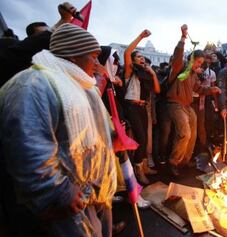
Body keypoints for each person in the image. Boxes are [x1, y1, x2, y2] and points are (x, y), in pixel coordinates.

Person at [0, 23, 118, 236]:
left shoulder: (82, 85)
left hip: (90, 196)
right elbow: (28, 146)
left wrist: (111, 139)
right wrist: (58, 191)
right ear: (73, 55)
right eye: (92, 56)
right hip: (62, 205)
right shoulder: (33, 85)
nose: (97, 63)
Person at [166, 24, 221, 176]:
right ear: (192, 60)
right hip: (175, 104)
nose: (199, 65)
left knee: (193, 134)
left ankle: (184, 161)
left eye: (201, 63)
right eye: (197, 62)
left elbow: (199, 89)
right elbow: (178, 55)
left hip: (187, 105)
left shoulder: (193, 74)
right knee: (185, 133)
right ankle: (173, 162)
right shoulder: (180, 67)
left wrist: (212, 90)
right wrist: (183, 37)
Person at [123, 29, 160, 184]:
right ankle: (138, 171)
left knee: (145, 140)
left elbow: (157, 90)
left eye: (143, 57)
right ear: (133, 60)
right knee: (141, 139)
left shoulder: (146, 74)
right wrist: (141, 36)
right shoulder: (130, 71)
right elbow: (127, 52)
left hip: (143, 108)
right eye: (138, 56)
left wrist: (153, 74)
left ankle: (143, 167)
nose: (142, 59)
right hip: (132, 108)